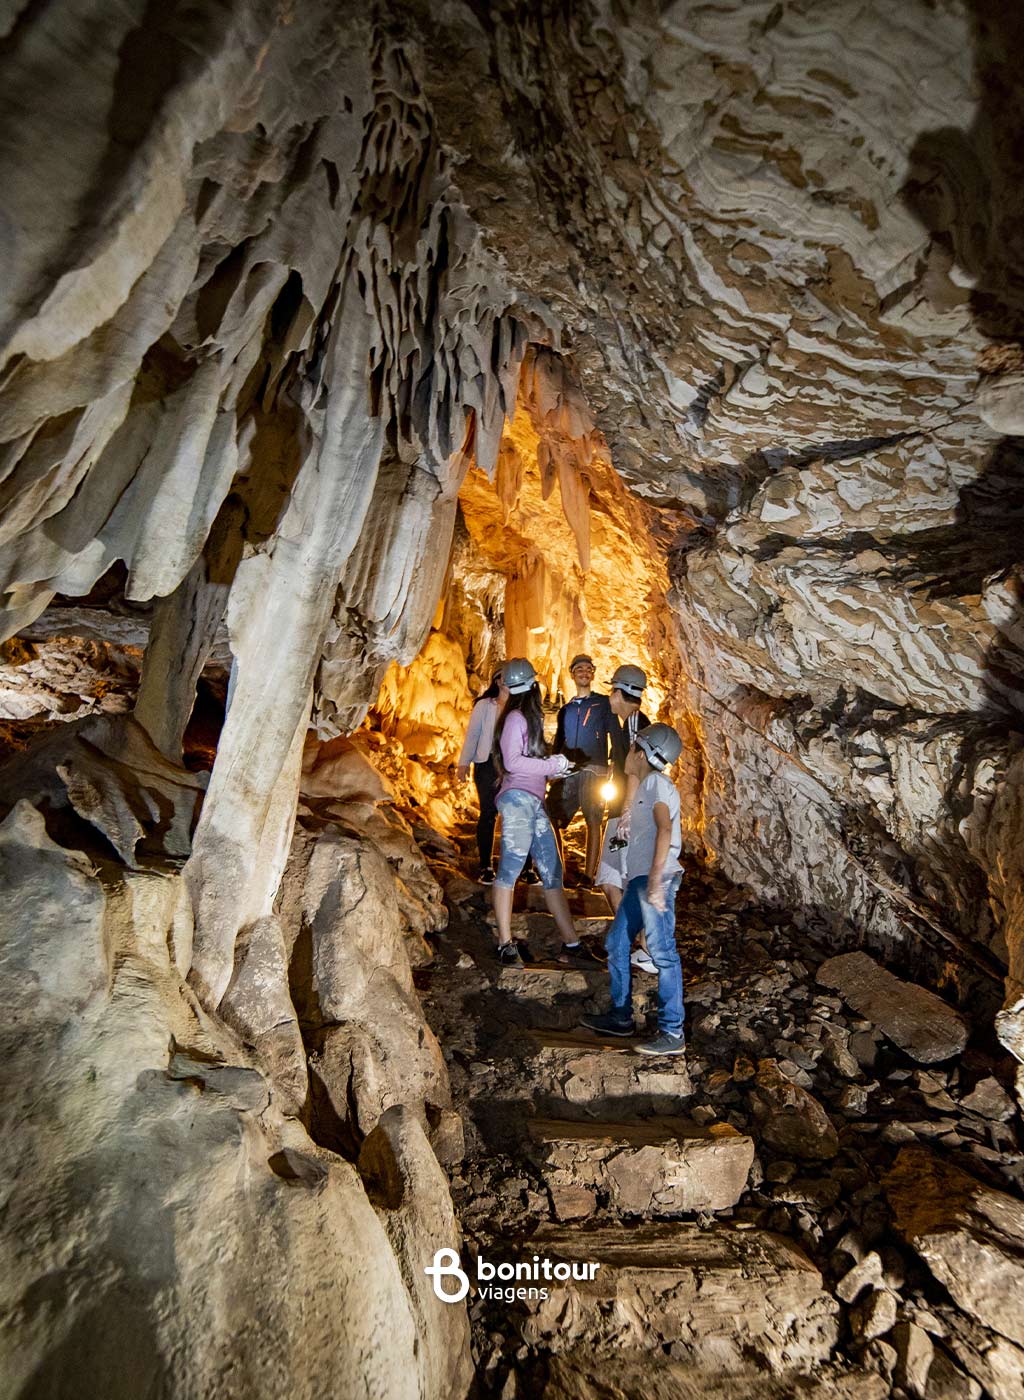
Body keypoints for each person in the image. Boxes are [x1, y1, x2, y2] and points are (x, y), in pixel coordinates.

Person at [580, 723, 687, 1054]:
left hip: (657, 877)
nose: (628, 754)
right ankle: (621, 1017)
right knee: (616, 942)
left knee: (663, 951)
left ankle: (672, 1033)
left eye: (632, 748)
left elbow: (665, 829)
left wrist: (656, 880)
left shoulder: (656, 784)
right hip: (642, 877)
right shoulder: (645, 788)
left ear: (641, 753)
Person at [492, 658, 602, 968]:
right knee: (510, 869)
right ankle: (505, 944)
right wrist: (553, 765)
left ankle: (572, 944)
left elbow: (529, 765)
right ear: (532, 686)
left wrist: (558, 770)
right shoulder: (515, 718)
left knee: (552, 873)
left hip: (533, 801)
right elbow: (513, 763)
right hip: (517, 801)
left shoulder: (525, 718)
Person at [596, 664, 655, 972]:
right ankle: (637, 944)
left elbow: (637, 770)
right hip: (623, 811)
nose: (610, 696)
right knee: (610, 880)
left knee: (620, 881)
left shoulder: (635, 724)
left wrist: (629, 813)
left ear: (618, 692)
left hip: (629, 814)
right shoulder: (628, 723)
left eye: (611, 690)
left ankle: (643, 946)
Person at [547, 654, 612, 887]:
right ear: (572, 674)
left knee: (593, 818)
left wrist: (614, 763)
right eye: (579, 669)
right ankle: (559, 870)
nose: (584, 672)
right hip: (569, 769)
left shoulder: (604, 704)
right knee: (551, 814)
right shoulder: (565, 710)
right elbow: (559, 741)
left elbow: (614, 732)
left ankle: (589, 875)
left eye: (588, 669)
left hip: (595, 769)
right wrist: (552, 769)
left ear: (593, 674)